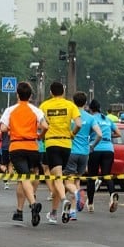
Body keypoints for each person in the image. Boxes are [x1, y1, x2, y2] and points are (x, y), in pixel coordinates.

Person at [0, 81, 48, 227]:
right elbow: (45, 126)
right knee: (33, 176)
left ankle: (33, 203)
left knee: (24, 177)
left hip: (17, 147)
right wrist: (40, 136)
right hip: (33, 146)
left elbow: (2, 128)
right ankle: (19, 211)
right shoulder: (35, 110)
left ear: (17, 95)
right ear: (30, 95)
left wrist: (11, 128)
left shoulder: (10, 110)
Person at [40, 82, 81, 223]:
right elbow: (79, 124)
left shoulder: (44, 106)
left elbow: (40, 124)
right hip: (66, 145)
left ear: (51, 92)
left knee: (56, 178)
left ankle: (65, 200)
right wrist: (72, 134)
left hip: (52, 143)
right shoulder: (70, 105)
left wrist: (41, 135)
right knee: (59, 178)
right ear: (63, 91)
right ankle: (53, 213)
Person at [65, 91, 101, 218]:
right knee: (77, 180)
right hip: (85, 153)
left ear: (73, 102)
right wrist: (92, 146)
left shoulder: (71, 116)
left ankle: (76, 194)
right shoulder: (91, 118)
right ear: (85, 103)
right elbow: (100, 134)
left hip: (71, 151)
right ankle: (73, 212)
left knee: (67, 182)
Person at [85, 99, 120, 213]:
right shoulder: (107, 119)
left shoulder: (91, 119)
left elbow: (86, 133)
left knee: (92, 177)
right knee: (107, 175)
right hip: (109, 149)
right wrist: (109, 136)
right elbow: (118, 133)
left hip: (95, 149)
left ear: (90, 109)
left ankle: (90, 203)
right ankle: (112, 194)